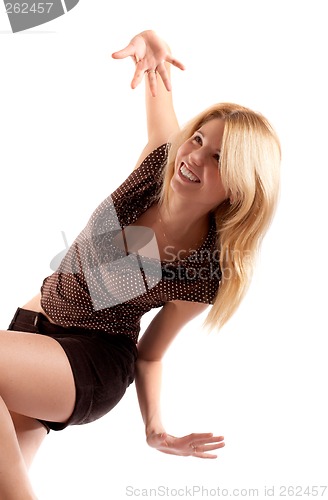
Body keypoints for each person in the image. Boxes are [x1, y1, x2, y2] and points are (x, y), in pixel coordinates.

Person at [0, 30, 280, 499]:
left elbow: (150, 354)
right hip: (30, 330)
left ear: (239, 185)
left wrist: (155, 429)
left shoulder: (203, 270)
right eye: (197, 140)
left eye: (218, 158)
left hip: (90, 362)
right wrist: (152, 46)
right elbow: (157, 79)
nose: (193, 157)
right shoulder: (158, 163)